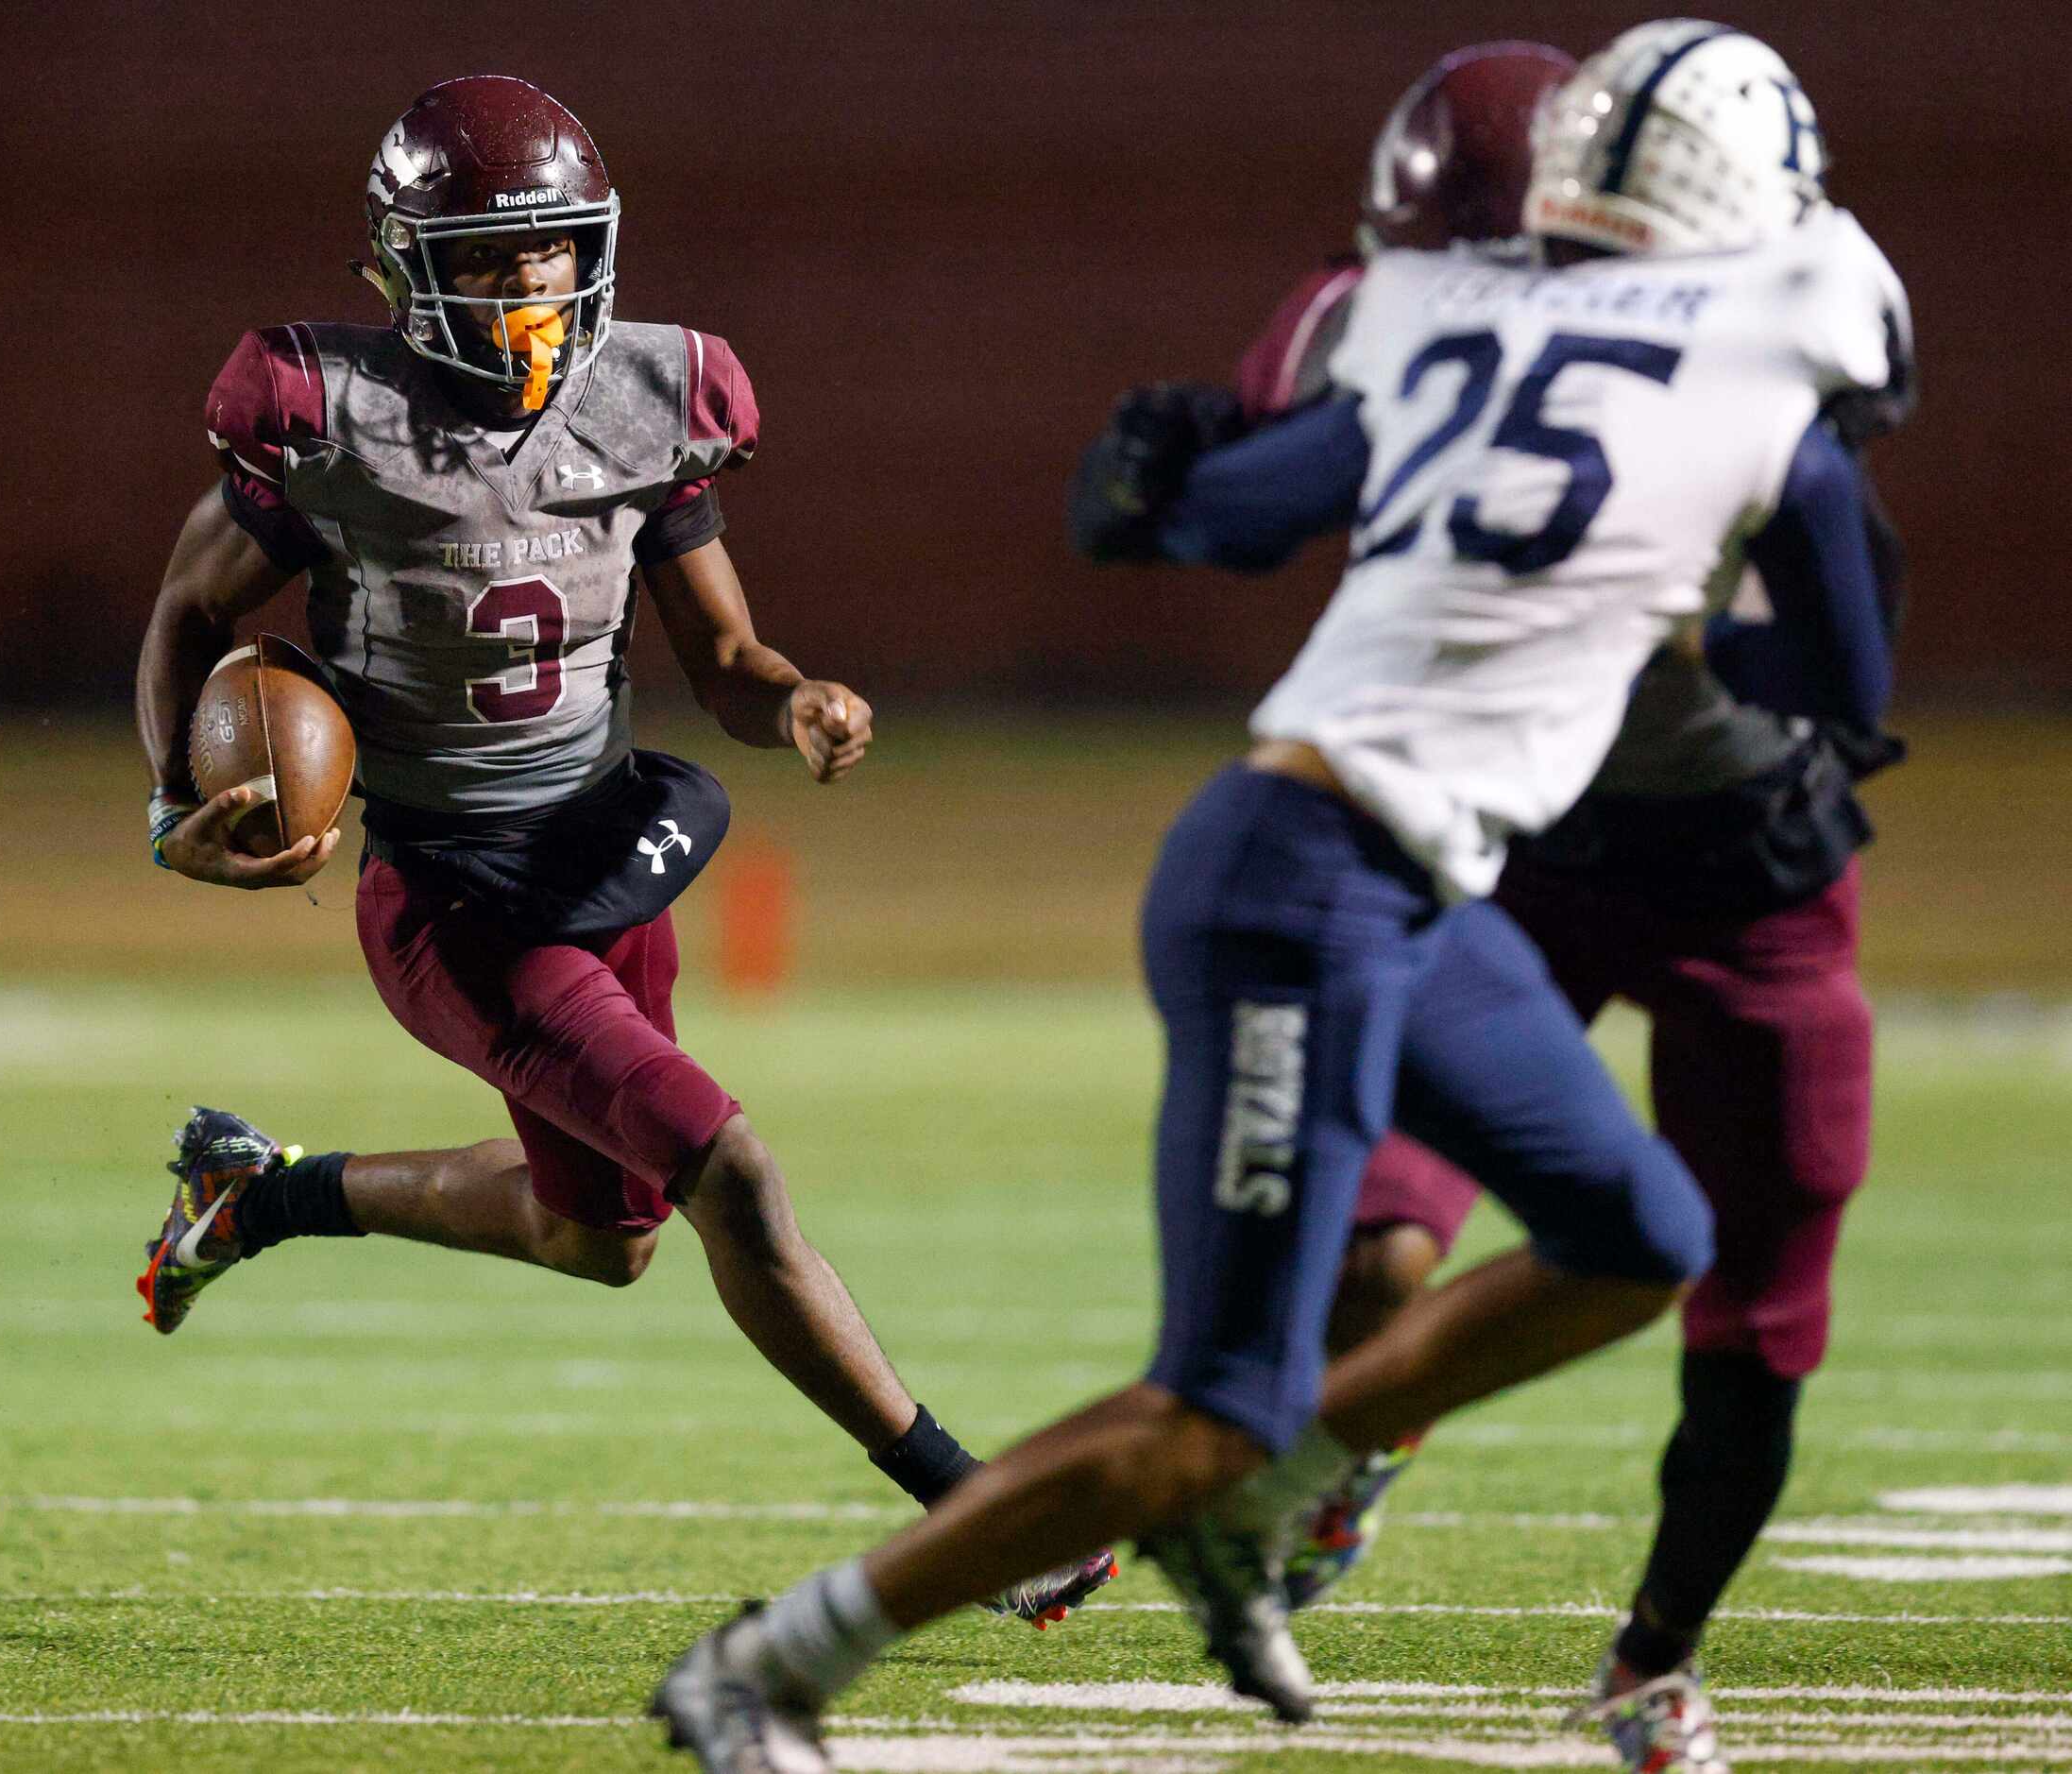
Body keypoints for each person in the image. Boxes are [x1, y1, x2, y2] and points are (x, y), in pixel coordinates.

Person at [648, 18, 1912, 1765]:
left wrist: (1180, 478)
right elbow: (1844, 677)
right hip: (1306, 890)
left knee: (1641, 1233)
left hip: (1404, 880)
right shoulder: (1769, 385)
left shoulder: (1446, 317)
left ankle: (1271, 1488)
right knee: (1212, 1399)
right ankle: (773, 1663)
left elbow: (1215, 512)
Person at [132, 75, 1113, 1627]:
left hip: (610, 848)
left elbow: (722, 659)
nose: (523, 287)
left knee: (598, 1238)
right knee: (728, 1165)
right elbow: (191, 613)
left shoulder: (653, 399)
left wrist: (793, 699)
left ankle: (257, 1197)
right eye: (482, 256)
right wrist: (162, 799)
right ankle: (968, 1510)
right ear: (400, 266)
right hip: (457, 895)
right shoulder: (333, 421)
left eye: (546, 251)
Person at [1238, 27, 1913, 1774]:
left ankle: (1652, 1656)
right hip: (1519, 844)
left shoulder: (1776, 343)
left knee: (1760, 1316)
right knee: (1384, 1237)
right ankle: (1332, 1447)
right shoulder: (1446, 311)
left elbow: (1846, 642)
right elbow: (1283, 400)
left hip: (1750, 857)